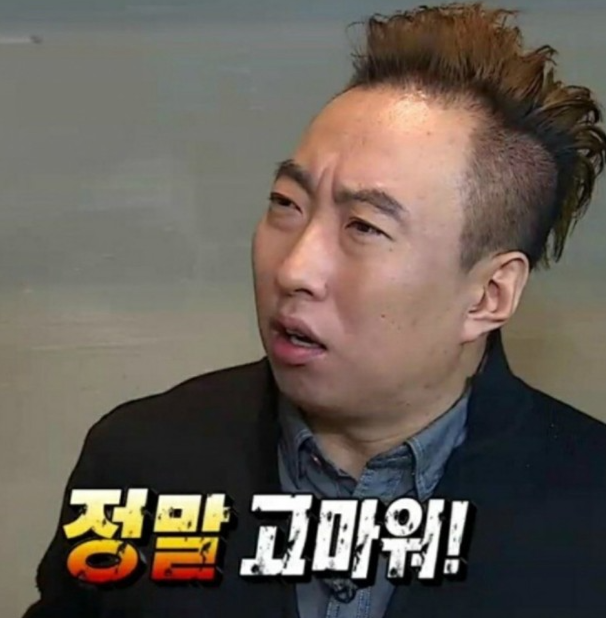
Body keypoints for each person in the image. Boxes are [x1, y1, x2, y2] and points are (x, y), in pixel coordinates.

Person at [23, 3, 606, 617]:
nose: (294, 269)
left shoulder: (589, 515)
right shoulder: (141, 463)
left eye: (364, 227)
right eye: (286, 203)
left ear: (489, 295)